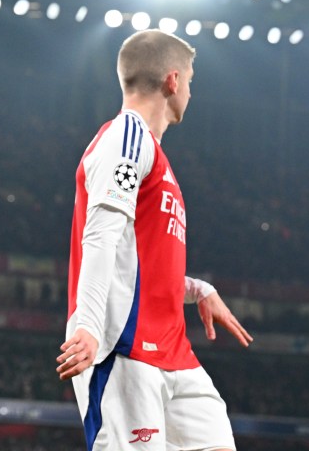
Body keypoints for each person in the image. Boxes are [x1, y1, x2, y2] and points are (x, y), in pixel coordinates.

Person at [56, 30, 253, 450]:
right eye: (192, 81)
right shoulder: (127, 137)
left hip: (173, 350)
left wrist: (199, 289)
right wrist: (89, 326)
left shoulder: (156, 157)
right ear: (173, 80)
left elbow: (139, 264)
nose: (191, 93)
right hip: (123, 347)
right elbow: (101, 235)